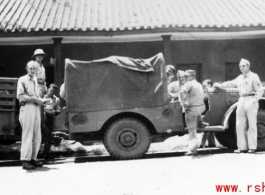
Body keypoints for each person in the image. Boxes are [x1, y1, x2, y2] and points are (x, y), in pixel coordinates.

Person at [213, 58, 263, 154]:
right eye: (240, 66)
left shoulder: (253, 76)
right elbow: (230, 83)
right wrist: (218, 85)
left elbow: (259, 90)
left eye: (243, 66)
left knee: (251, 124)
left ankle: (252, 147)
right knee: (240, 124)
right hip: (241, 99)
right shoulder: (240, 78)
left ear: (248, 66)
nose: (241, 68)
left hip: (250, 99)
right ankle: (242, 147)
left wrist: (254, 101)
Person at [17, 60, 44, 170]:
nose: (33, 70)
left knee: (37, 135)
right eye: (31, 68)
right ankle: (25, 160)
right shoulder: (22, 80)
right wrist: (35, 99)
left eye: (35, 69)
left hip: (36, 108)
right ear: (27, 68)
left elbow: (37, 96)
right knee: (28, 134)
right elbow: (20, 96)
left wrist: (42, 100)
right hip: (27, 107)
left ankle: (33, 158)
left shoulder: (35, 81)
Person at [179, 70, 205, 156]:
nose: (184, 78)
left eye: (186, 76)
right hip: (200, 108)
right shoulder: (198, 84)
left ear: (191, 77)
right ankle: (201, 123)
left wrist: (183, 104)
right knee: (196, 123)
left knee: (192, 130)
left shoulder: (189, 84)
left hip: (192, 110)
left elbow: (181, 92)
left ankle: (193, 150)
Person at [42, 84, 61, 159]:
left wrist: (57, 111)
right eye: (51, 90)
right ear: (48, 89)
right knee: (42, 135)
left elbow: (58, 108)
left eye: (54, 92)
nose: (52, 93)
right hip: (43, 117)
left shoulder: (56, 99)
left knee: (49, 135)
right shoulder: (43, 97)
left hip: (50, 118)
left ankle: (46, 153)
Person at [199, 79, 216, 148]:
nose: (204, 88)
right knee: (208, 129)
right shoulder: (203, 94)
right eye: (203, 86)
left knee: (206, 129)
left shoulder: (212, 93)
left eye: (205, 86)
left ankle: (202, 144)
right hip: (206, 113)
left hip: (210, 113)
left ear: (210, 85)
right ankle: (211, 143)